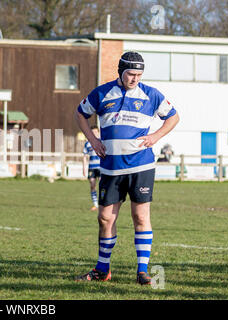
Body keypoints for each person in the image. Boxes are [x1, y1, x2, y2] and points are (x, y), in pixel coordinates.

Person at [73, 51, 180, 285]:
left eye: (139, 75)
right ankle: (102, 270)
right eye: (130, 74)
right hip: (111, 168)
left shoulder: (151, 94)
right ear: (120, 72)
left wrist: (155, 136)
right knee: (104, 218)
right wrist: (92, 140)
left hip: (141, 166)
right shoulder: (102, 93)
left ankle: (142, 272)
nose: (134, 79)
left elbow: (173, 117)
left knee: (140, 216)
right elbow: (80, 114)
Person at [82, 126, 101, 211]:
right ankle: (95, 205)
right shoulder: (88, 143)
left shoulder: (103, 141)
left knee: (102, 186)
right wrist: (84, 168)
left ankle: (102, 204)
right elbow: (85, 157)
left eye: (95, 132)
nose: (94, 134)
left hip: (101, 168)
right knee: (92, 185)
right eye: (92, 132)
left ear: (99, 132)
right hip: (92, 168)